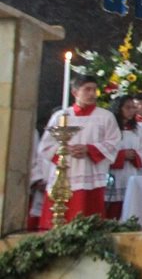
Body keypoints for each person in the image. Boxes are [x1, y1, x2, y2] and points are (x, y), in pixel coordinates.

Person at [36, 75, 120, 229]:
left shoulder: (105, 117)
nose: (92, 94)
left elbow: (113, 143)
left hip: (91, 175)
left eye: (94, 90)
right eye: (87, 89)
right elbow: (45, 146)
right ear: (75, 92)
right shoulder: (60, 116)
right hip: (65, 175)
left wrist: (89, 149)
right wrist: (64, 150)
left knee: (89, 220)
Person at [106, 95, 142, 219]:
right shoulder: (109, 128)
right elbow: (103, 150)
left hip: (131, 173)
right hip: (113, 175)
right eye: (127, 107)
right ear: (118, 109)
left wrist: (135, 155)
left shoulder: (138, 130)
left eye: (133, 107)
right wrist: (121, 155)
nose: (131, 110)